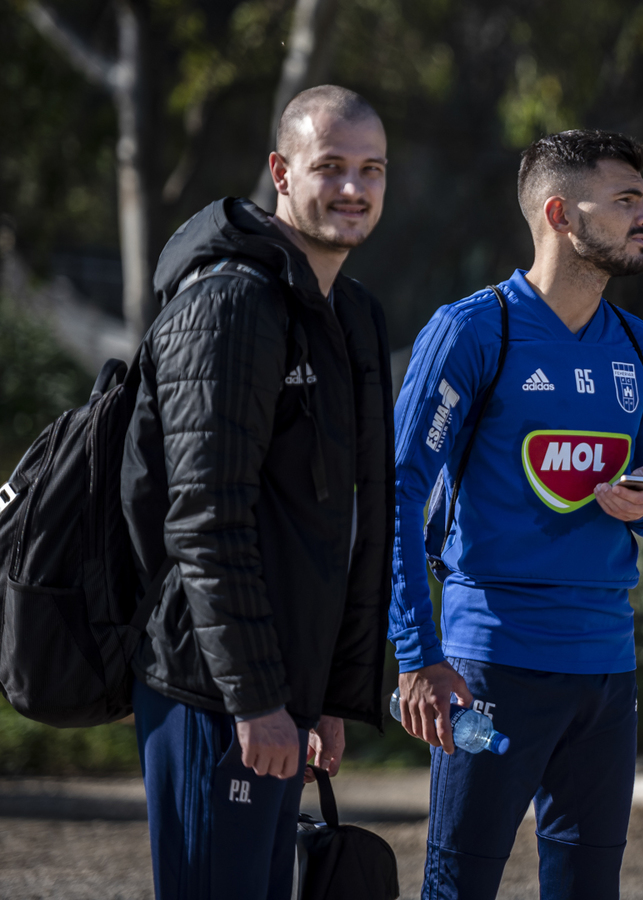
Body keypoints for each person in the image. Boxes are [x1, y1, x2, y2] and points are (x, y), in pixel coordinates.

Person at [389, 129, 643, 900]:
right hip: (490, 662)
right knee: (460, 883)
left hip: (607, 669)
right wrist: (416, 655)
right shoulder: (472, 330)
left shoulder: (640, 347)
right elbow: (397, 491)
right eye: (627, 200)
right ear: (559, 213)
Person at [121, 85, 395, 900]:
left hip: (283, 696)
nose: (353, 188)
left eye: (372, 169)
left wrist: (328, 696)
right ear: (281, 171)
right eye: (331, 166)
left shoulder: (348, 312)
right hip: (215, 695)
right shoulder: (232, 303)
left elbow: (347, 521)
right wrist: (256, 702)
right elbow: (204, 520)